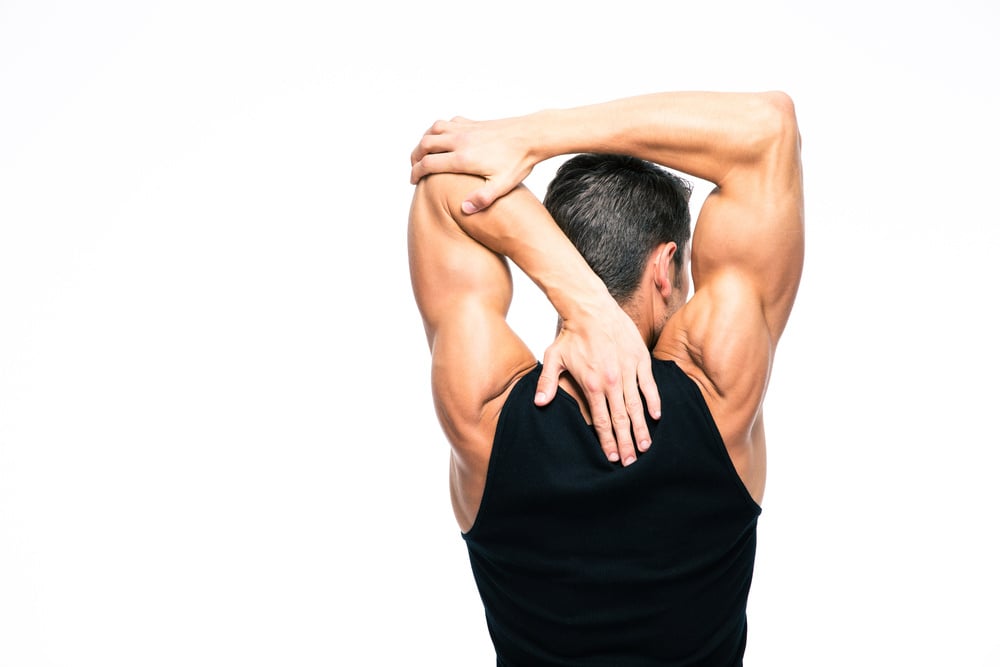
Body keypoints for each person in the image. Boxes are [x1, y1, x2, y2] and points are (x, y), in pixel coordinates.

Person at [407, 91, 804, 666]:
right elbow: (769, 130)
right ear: (666, 270)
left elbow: (444, 184)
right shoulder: (719, 396)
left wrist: (583, 302)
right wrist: (539, 133)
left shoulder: (485, 414)